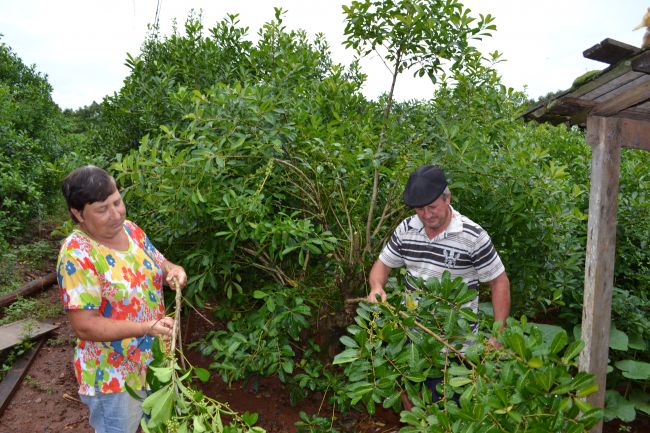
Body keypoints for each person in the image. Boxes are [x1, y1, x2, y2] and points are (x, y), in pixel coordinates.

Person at [56, 165, 188, 433]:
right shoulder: (77, 254)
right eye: (102, 209)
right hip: (113, 377)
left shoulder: (131, 231)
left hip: (156, 362)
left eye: (117, 202)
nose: (116, 214)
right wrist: (145, 327)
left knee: (163, 426)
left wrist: (173, 271)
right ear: (78, 214)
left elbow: (160, 264)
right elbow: (85, 325)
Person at [367, 164, 510, 403]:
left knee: (449, 412)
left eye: (432, 207)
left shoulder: (472, 236)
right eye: (419, 209)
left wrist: (498, 333)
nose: (426, 215)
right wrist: (376, 287)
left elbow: (499, 282)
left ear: (447, 199)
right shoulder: (406, 229)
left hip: (456, 348)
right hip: (411, 339)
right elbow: (382, 265)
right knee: (411, 401)